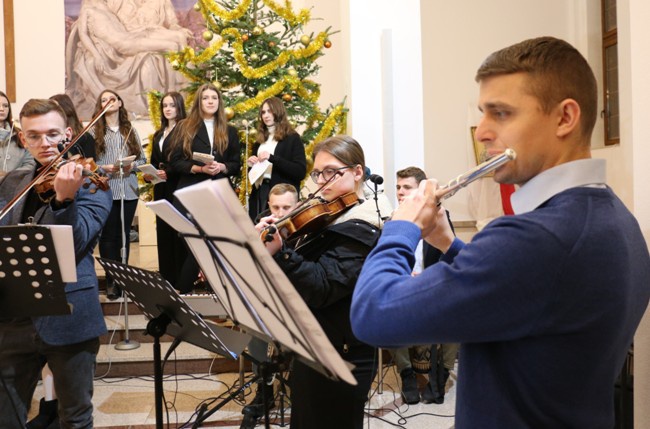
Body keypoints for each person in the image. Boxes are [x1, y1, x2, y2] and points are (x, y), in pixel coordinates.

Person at [351, 36, 650, 428]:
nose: (481, 132)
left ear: (565, 118)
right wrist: (448, 244)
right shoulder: (614, 217)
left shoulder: (536, 238)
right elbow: (524, 294)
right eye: (483, 112)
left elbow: (373, 315)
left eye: (502, 113)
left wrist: (400, 228)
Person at [0, 98, 112, 428]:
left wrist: (64, 200)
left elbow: (78, 243)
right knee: (6, 417)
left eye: (51, 134)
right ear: (23, 139)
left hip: (69, 315)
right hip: (14, 319)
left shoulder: (91, 180)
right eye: (34, 136)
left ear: (67, 133)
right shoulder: (11, 183)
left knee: (75, 418)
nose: (44, 143)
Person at [263, 135, 380, 429]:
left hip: (341, 354)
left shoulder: (364, 225)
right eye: (317, 173)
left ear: (357, 173)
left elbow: (323, 286)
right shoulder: (330, 216)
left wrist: (282, 253)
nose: (321, 182)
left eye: (331, 171)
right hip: (314, 343)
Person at [386, 166, 458, 405]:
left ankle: (442, 373)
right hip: (403, 286)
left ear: (420, 189)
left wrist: (426, 280)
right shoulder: (392, 220)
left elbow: (450, 259)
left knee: (454, 311)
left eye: (406, 187)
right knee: (391, 311)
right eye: (398, 187)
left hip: (432, 285)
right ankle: (407, 374)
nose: (400, 192)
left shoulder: (438, 217)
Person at [168, 83, 240, 293]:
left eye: (214, 98)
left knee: (208, 242)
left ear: (219, 102)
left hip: (217, 193)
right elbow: (175, 162)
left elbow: (236, 164)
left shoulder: (229, 131)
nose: (210, 101)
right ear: (199, 102)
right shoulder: (185, 127)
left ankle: (185, 289)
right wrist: (199, 169)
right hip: (190, 191)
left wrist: (222, 166)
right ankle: (187, 288)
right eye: (206, 98)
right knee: (195, 242)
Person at [65, 0, 190, 118]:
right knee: (171, 46)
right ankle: (172, 92)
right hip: (125, 44)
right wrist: (96, 55)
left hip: (132, 36)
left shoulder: (104, 8)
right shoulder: (89, 9)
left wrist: (177, 29)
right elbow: (83, 34)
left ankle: (182, 87)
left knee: (179, 37)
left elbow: (122, 29)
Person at [240, 183, 299, 429]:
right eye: (275, 207)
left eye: (287, 207)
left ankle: (297, 388)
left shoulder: (308, 228)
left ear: (297, 205)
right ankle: (264, 390)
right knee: (254, 329)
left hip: (299, 300)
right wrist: (253, 240)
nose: (280, 212)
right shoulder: (261, 224)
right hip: (267, 299)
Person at [90, 89, 146, 299]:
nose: (108, 102)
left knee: (123, 237)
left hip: (128, 191)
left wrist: (132, 167)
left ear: (120, 103)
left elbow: (142, 160)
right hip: (106, 190)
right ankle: (112, 280)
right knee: (108, 237)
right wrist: (105, 168)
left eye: (111, 99)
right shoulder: (94, 131)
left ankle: (124, 280)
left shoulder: (130, 130)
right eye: (103, 100)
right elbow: (90, 164)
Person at [143, 91, 186, 285]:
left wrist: (169, 171)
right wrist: (148, 175)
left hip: (176, 186)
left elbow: (186, 160)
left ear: (179, 108)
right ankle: (166, 277)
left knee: (177, 233)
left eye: (172, 105)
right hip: (160, 187)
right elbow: (154, 161)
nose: (168, 109)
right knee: (163, 232)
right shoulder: (159, 133)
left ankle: (180, 280)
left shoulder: (185, 131)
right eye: (165, 106)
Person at [246, 97, 306, 221]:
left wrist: (272, 158)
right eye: (263, 112)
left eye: (270, 111)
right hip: (260, 193)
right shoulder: (259, 141)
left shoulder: (292, 138)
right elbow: (254, 176)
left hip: (282, 199)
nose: (266, 115)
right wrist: (252, 165)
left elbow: (300, 171)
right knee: (259, 229)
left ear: (278, 112)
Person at [49, 93, 97, 159]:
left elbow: (90, 166)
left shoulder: (85, 138)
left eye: (53, 109)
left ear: (66, 109)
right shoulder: (48, 137)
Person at [0, 90, 35, 179]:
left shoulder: (19, 134)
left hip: (17, 187)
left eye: (5, 106)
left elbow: (30, 162)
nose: (2, 109)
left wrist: (10, 176)